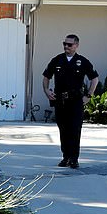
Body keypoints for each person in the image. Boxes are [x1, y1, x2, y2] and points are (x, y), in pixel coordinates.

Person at [43, 34, 99, 168]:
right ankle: (65, 157)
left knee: (74, 129)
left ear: (76, 46)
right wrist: (46, 90)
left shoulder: (82, 61)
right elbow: (46, 76)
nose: (66, 47)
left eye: (69, 44)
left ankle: (74, 158)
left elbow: (94, 78)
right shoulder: (57, 60)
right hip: (60, 101)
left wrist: (89, 95)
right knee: (63, 129)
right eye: (64, 44)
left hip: (75, 101)